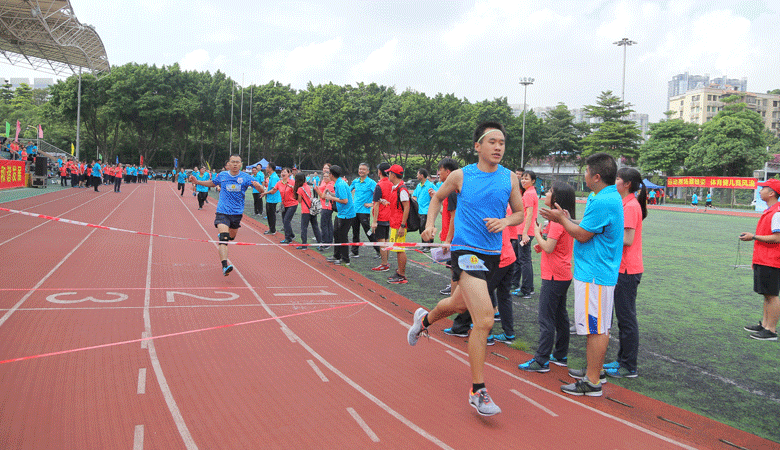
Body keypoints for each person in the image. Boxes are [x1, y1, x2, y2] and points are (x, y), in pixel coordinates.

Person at [409, 122, 525, 416]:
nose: (498, 147)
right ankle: (478, 390)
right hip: (466, 252)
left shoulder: (510, 178)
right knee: (484, 320)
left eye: (502, 143)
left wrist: (506, 222)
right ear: (478, 146)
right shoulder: (462, 176)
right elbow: (437, 198)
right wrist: (430, 225)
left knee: (457, 304)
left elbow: (520, 213)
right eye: (492, 142)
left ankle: (424, 320)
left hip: (493, 256)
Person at [540, 152, 623, 397]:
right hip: (599, 272)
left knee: (595, 327)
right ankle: (594, 371)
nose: (584, 175)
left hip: (594, 273)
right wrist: (568, 218)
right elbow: (589, 227)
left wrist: (560, 220)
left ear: (596, 176)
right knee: (599, 325)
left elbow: (582, 235)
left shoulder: (601, 201)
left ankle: (592, 380)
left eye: (586, 171)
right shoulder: (606, 196)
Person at [519, 182, 576, 372]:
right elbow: (554, 246)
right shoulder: (563, 219)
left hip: (554, 275)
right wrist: (541, 244)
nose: (547, 193)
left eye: (551, 191)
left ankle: (541, 359)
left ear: (557, 198)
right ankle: (560, 354)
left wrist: (535, 233)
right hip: (562, 273)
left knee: (546, 318)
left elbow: (550, 247)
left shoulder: (557, 222)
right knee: (560, 316)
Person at [189, 154, 263, 276]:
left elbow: (261, 190)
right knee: (224, 238)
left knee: (231, 237)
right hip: (223, 211)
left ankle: (224, 236)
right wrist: (197, 182)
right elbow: (212, 183)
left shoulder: (246, 177)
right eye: (232, 162)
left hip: (237, 213)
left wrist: (259, 187)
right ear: (228, 163)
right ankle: (225, 266)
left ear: (241, 164)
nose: (235, 164)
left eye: (237, 162)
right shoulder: (222, 175)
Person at [605, 168, 647, 378]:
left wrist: (603, 235)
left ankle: (629, 365)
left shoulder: (630, 206)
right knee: (623, 317)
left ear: (627, 184)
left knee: (626, 318)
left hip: (627, 269)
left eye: (618, 179)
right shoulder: (627, 204)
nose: (615, 182)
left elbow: (627, 240)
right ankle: (622, 359)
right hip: (623, 268)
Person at [739, 179, 780, 341]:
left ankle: (771, 330)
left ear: (771, 193)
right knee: (767, 294)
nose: (760, 190)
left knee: (771, 295)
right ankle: (765, 325)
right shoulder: (771, 211)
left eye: (763, 188)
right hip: (764, 259)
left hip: (772, 259)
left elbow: (777, 238)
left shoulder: (777, 212)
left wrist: (753, 236)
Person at [512, 170, 538, 299]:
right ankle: (529, 287)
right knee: (525, 259)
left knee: (524, 260)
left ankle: (526, 289)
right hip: (525, 230)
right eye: (522, 178)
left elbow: (529, 215)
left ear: (533, 181)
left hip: (525, 231)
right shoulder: (530, 192)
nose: (523, 181)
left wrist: (524, 233)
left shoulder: (529, 194)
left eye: (526, 179)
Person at [323, 165, 355, 265]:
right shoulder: (338, 183)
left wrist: (330, 197)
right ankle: (336, 255)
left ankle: (345, 259)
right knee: (336, 233)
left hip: (347, 214)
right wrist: (331, 194)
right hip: (341, 214)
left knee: (342, 236)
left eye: (328, 173)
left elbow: (344, 200)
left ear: (331, 175)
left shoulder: (340, 184)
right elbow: (340, 196)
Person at [385, 164, 410, 284]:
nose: (388, 175)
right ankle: (400, 272)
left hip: (399, 224)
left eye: (389, 173)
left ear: (393, 175)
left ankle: (402, 274)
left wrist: (402, 225)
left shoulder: (402, 188)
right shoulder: (396, 188)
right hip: (395, 223)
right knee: (397, 248)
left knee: (400, 249)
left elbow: (406, 207)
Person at [349, 162, 379, 258]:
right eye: (360, 169)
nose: (361, 171)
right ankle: (355, 251)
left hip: (364, 212)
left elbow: (378, 195)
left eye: (363, 169)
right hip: (354, 211)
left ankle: (378, 250)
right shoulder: (355, 181)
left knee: (368, 232)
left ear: (368, 171)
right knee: (355, 232)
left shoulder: (371, 183)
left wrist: (371, 204)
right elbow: (348, 191)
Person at [371, 163, 393, 272]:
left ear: (379, 172)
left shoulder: (379, 185)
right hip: (390, 217)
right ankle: (386, 262)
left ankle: (384, 264)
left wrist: (374, 221)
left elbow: (377, 203)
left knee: (381, 241)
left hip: (382, 217)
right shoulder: (392, 184)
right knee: (386, 240)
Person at [264, 168, 296, 244]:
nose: (283, 173)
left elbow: (298, 190)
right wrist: (265, 193)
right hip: (284, 204)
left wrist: (293, 188)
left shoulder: (293, 182)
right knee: (284, 220)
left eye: (285, 172)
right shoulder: (279, 183)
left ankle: (288, 238)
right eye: (282, 172)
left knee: (286, 220)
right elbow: (273, 191)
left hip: (292, 204)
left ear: (289, 174)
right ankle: (291, 234)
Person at [294, 172, 322, 250]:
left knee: (304, 228)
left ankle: (304, 245)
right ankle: (320, 243)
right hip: (312, 210)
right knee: (315, 227)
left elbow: (299, 200)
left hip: (305, 211)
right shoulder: (307, 186)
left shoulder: (300, 189)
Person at [412, 169, 437, 250]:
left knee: (427, 228)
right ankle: (423, 245)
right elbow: (414, 196)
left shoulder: (430, 185)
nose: (417, 176)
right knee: (421, 228)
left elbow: (438, 195)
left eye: (418, 174)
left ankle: (429, 246)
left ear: (422, 175)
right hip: (419, 211)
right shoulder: (418, 186)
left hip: (427, 211)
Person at [314, 164, 335, 251]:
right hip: (325, 206)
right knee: (328, 224)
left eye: (327, 176)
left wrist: (316, 189)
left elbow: (323, 196)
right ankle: (328, 241)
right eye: (324, 176)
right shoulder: (324, 182)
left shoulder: (330, 184)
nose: (325, 177)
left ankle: (325, 242)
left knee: (324, 225)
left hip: (327, 207)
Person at [264, 164, 281, 235]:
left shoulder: (274, 177)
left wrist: (265, 193)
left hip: (273, 199)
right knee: (269, 214)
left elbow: (274, 190)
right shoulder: (271, 176)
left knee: (271, 214)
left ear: (270, 168)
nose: (266, 168)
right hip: (270, 199)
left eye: (267, 167)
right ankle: (271, 229)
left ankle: (273, 230)